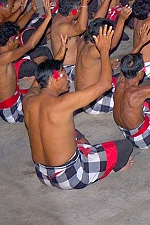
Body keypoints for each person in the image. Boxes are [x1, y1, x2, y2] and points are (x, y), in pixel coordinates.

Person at [23, 26, 134, 189]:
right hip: (70, 176)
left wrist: (57, 58)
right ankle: (108, 168)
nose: (68, 78)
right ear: (53, 80)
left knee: (73, 132)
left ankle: (90, 157)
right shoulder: (64, 103)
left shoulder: (28, 100)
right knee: (125, 147)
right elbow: (104, 84)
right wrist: (104, 51)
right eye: (63, 74)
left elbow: (37, 81)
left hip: (42, 173)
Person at [0, 10, 54, 124]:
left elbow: (19, 26)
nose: (18, 42)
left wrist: (31, 11)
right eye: (17, 39)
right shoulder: (3, 58)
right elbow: (30, 45)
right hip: (10, 111)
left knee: (47, 92)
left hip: (15, 98)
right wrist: (47, 19)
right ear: (10, 40)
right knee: (47, 112)